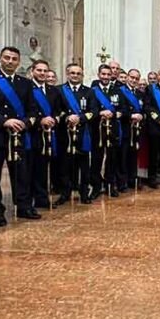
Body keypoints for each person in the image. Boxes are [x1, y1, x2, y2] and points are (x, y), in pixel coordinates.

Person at [0, 46, 40, 226]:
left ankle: (24, 206)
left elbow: (32, 110)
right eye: (7, 58)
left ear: (19, 62)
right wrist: (4, 122)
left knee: (21, 174)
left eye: (14, 59)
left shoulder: (25, 83)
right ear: (0, 59)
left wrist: (25, 123)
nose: (10, 61)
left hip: (18, 135)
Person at [56, 63, 96, 205]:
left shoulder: (89, 91)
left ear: (82, 76)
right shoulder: (59, 90)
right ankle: (65, 193)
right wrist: (66, 117)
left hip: (83, 134)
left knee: (84, 166)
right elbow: (56, 111)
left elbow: (93, 111)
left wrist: (81, 118)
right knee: (64, 166)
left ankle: (84, 193)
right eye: (72, 73)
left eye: (78, 73)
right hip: (65, 134)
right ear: (67, 74)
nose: (75, 76)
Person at [28, 60, 61, 209]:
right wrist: (40, 120)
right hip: (32, 133)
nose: (42, 73)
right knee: (29, 168)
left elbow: (58, 110)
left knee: (42, 168)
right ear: (32, 71)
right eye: (39, 70)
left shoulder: (53, 90)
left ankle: (42, 199)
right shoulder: (27, 87)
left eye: (45, 71)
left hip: (49, 134)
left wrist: (54, 119)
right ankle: (27, 201)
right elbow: (25, 110)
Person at [89, 64, 119, 198]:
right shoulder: (92, 91)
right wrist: (100, 112)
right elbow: (89, 109)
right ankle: (96, 186)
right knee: (96, 158)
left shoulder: (117, 90)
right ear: (99, 75)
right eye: (103, 74)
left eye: (108, 74)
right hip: (97, 129)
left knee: (112, 159)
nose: (106, 77)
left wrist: (116, 113)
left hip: (112, 129)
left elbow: (123, 108)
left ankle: (110, 185)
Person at [116, 69, 144, 191]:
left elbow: (144, 109)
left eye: (136, 79)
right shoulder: (120, 92)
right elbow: (118, 110)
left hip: (136, 130)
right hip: (124, 128)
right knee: (123, 156)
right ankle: (122, 182)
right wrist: (131, 116)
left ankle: (132, 179)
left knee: (133, 155)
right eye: (132, 77)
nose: (134, 80)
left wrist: (142, 116)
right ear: (127, 77)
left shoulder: (139, 93)